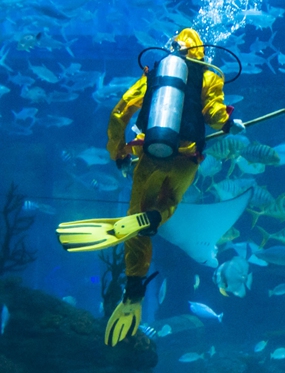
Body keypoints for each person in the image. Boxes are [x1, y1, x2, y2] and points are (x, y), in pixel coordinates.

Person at [56, 28, 243, 346]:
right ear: (201, 52)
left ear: (174, 49)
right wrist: (228, 123)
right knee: (169, 203)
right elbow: (213, 112)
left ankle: (133, 292)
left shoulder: (157, 73)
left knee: (136, 222)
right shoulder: (210, 77)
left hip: (150, 153)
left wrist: (118, 151)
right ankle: (157, 216)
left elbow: (121, 111)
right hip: (185, 159)